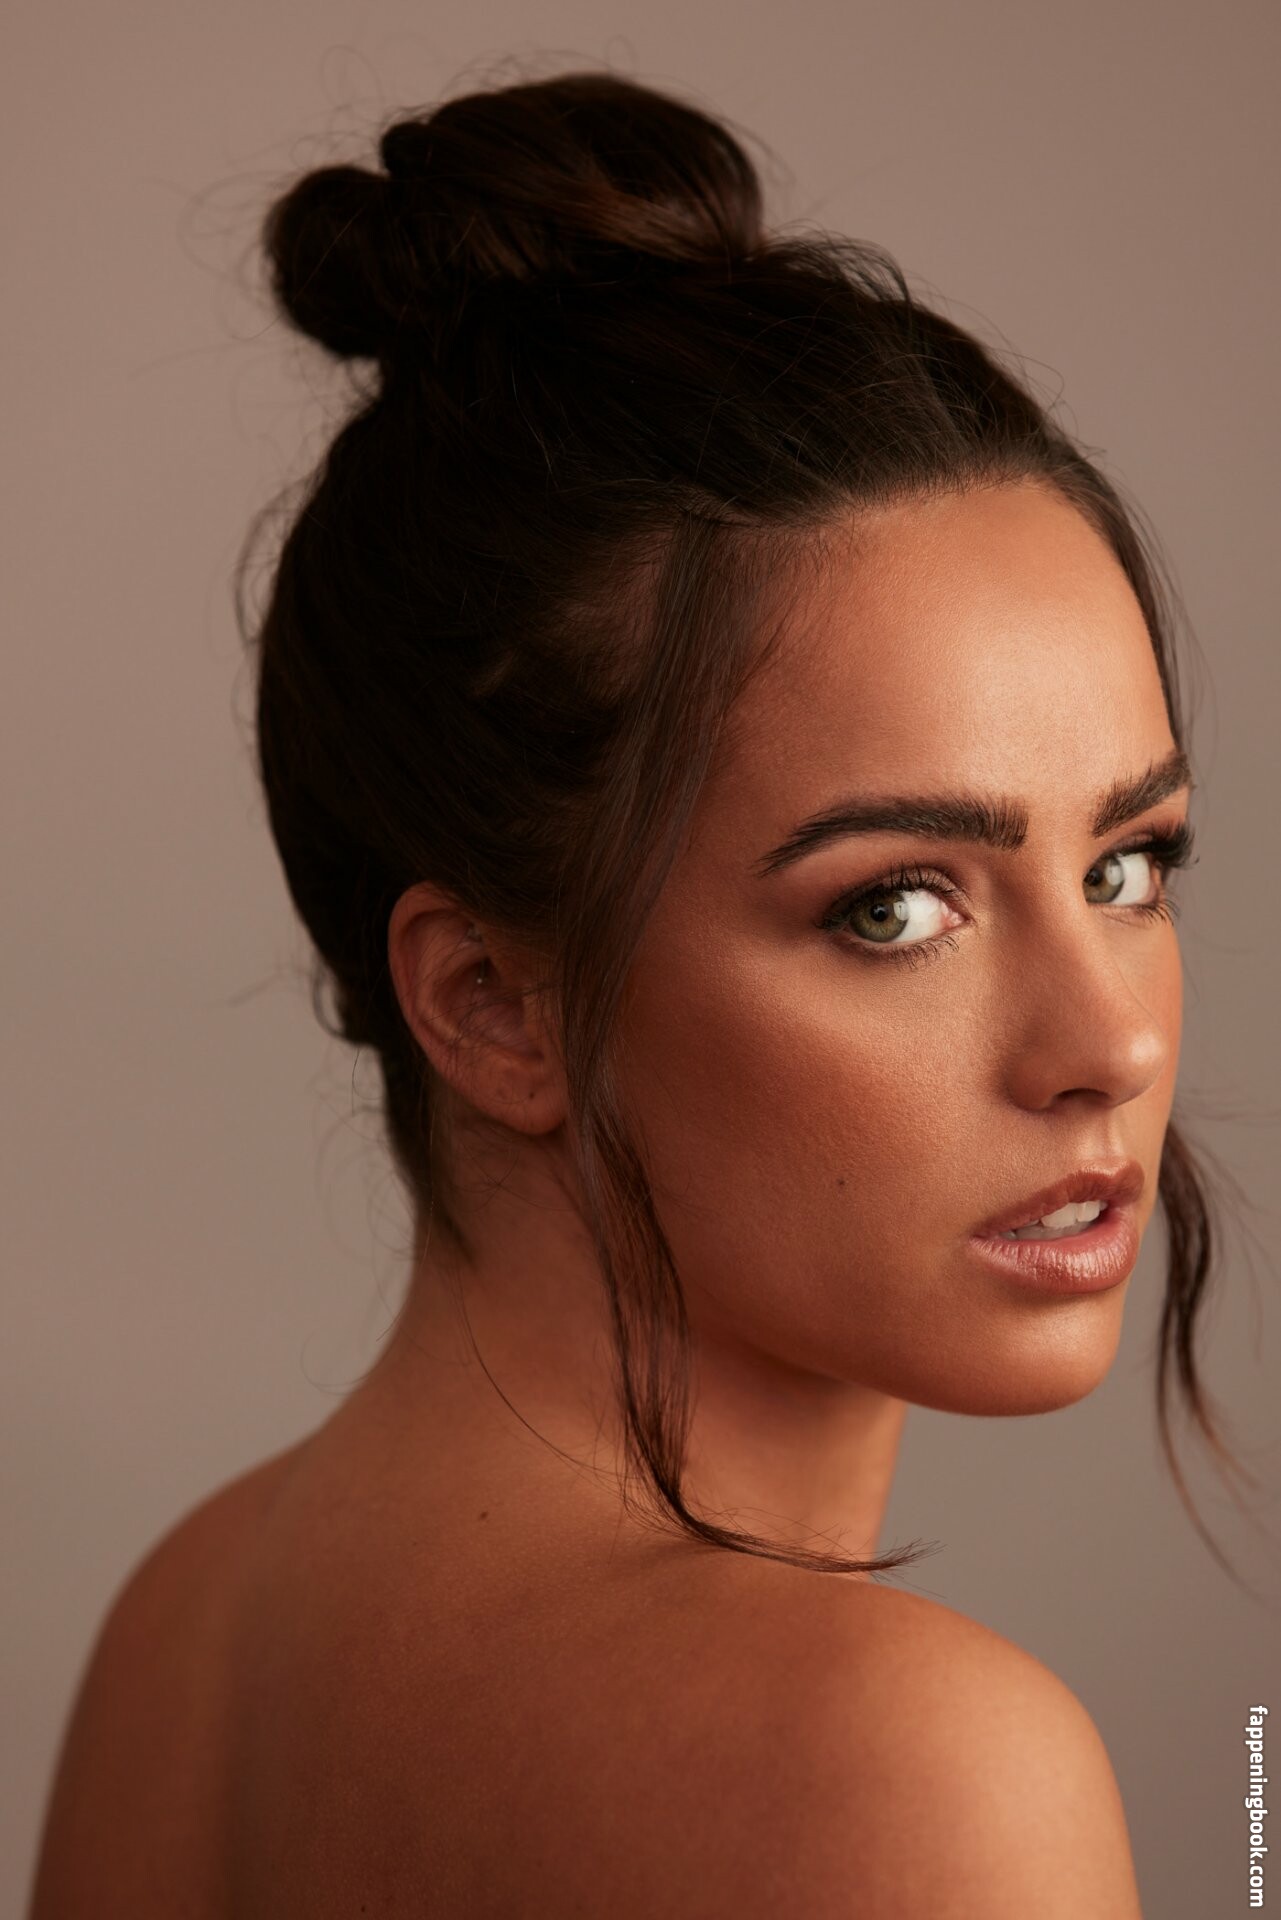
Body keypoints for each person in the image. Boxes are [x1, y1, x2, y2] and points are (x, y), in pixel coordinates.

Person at [30, 67, 1234, 1919]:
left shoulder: (187, 1633)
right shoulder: (909, 1771)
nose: (1111, 1044)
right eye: (896, 906)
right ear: (490, 1002)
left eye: (1124, 867)